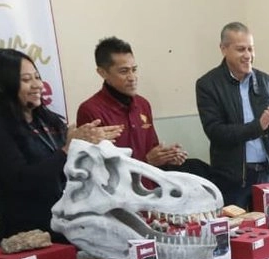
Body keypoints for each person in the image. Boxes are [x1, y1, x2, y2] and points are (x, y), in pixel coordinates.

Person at [0, 49, 122, 245]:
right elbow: (21, 180)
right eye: (26, 80)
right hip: (26, 235)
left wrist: (89, 147)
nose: (38, 85)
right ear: (0, 86)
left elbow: (68, 171)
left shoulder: (47, 120)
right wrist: (68, 149)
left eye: (37, 77)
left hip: (68, 228)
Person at [195, 22, 269, 207]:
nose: (248, 56)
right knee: (240, 233)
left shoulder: (266, 81)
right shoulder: (207, 85)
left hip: (268, 174)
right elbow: (216, 132)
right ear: (223, 49)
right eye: (241, 49)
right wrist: (258, 125)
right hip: (231, 179)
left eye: (251, 49)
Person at [76, 36, 190, 169]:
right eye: (124, 71)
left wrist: (167, 157)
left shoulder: (143, 104)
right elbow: (96, 168)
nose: (132, 77)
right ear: (102, 73)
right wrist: (145, 160)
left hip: (151, 186)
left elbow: (152, 150)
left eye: (134, 69)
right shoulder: (90, 110)